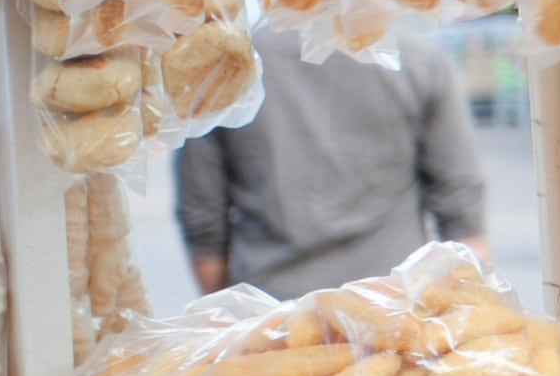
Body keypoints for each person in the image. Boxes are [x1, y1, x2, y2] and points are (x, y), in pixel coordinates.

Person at [174, 27, 489, 297]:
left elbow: (201, 214)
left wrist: (232, 316)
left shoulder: (227, 67)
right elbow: (462, 206)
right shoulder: (419, 60)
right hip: (392, 305)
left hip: (270, 311)